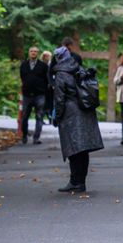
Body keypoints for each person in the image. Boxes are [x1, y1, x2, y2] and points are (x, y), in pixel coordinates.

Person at [51, 38, 103, 193]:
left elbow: (59, 98)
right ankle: (81, 182)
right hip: (85, 111)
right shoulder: (78, 68)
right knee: (83, 149)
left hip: (70, 114)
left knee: (73, 148)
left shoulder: (61, 73)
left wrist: (57, 116)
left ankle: (75, 181)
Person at [18, 46, 50, 145]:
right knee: (24, 117)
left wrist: (44, 90)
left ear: (38, 53)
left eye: (35, 51)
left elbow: (47, 79)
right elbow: (22, 77)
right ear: (29, 53)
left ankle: (36, 138)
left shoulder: (43, 66)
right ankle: (24, 135)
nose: (33, 53)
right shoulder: (23, 65)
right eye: (31, 51)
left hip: (39, 95)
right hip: (27, 95)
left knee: (39, 116)